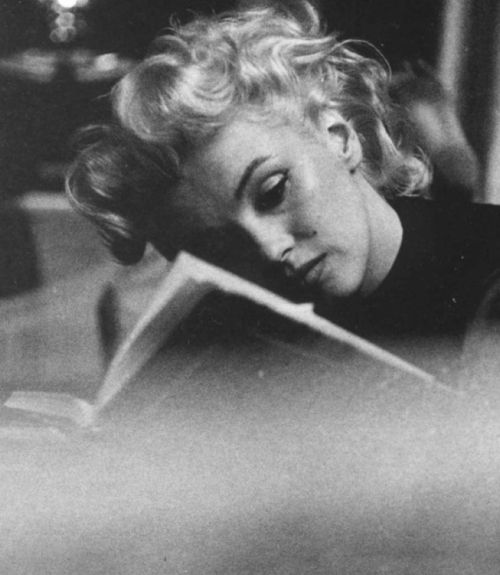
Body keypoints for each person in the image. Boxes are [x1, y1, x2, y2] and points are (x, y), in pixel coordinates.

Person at [66, 0, 500, 363]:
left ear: (339, 138)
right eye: (220, 247)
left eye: (273, 192)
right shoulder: (235, 336)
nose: (270, 250)